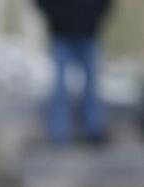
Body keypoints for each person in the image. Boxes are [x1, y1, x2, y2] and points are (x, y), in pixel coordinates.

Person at [34, 0, 113, 145]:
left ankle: (94, 131)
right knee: (59, 88)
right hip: (61, 34)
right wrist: (57, 19)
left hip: (89, 32)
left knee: (92, 86)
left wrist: (94, 19)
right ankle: (59, 134)